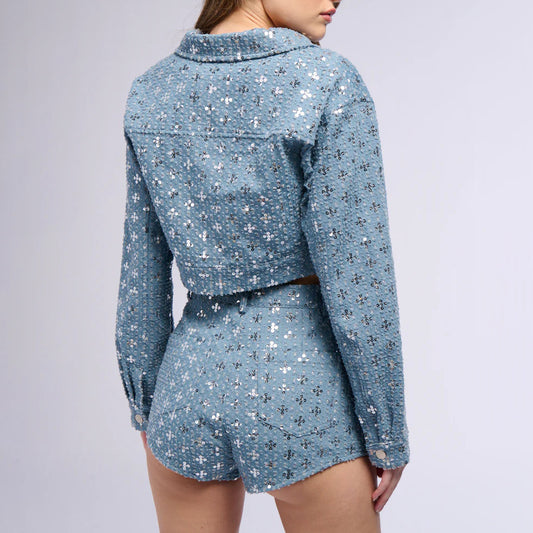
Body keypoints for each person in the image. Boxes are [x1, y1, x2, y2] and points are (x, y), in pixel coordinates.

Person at [114, 0, 410, 531]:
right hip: (303, 391)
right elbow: (359, 282)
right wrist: (387, 432)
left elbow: (141, 274)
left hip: (185, 386)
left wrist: (148, 406)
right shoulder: (324, 81)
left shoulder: (150, 90)